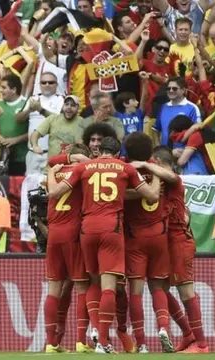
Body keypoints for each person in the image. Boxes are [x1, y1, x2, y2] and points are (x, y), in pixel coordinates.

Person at [48, 137, 160, 354]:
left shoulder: (84, 167)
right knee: (109, 287)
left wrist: (54, 172)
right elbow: (152, 195)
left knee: (93, 283)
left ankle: (89, 337)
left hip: (87, 229)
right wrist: (155, 174)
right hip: (111, 229)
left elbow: (54, 193)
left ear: (99, 151)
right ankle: (103, 342)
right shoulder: (125, 167)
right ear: (118, 153)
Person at [146, 146, 208, 353]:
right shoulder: (159, 184)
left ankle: (201, 344)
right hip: (164, 242)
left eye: (151, 163)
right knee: (160, 290)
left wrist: (145, 165)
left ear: (156, 162)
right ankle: (188, 335)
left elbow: (171, 176)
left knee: (186, 292)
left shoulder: (174, 180)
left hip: (179, 241)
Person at [123, 132, 173, 353]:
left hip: (135, 238)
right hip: (159, 236)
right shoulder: (158, 170)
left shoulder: (125, 170)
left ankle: (141, 343)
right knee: (158, 287)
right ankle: (163, 328)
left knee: (136, 290)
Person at [44, 144, 92, 354]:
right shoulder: (84, 172)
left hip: (53, 232)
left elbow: (51, 161)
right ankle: (81, 341)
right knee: (82, 287)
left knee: (54, 289)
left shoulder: (54, 172)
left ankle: (50, 343)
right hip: (74, 233)